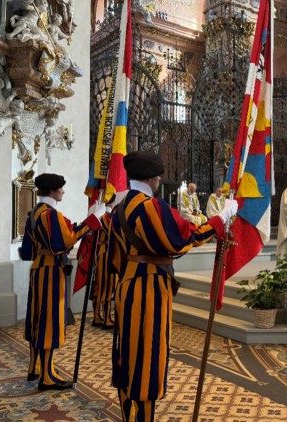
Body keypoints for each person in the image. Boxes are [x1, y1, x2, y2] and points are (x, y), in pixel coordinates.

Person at [110, 151, 238, 421]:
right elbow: (182, 239)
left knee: (127, 353)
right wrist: (221, 218)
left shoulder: (119, 207)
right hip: (149, 287)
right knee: (148, 355)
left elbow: (114, 257)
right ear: (154, 178)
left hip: (127, 284)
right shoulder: (150, 207)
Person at [19, 173, 105, 390]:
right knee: (49, 321)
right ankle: (46, 376)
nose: (63, 192)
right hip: (50, 271)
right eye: (61, 189)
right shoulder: (50, 214)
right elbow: (64, 243)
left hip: (37, 268)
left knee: (36, 319)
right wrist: (92, 222)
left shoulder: (32, 214)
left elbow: (27, 251)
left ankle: (34, 367)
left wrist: (86, 222)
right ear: (52, 191)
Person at [91, 197, 116, 329]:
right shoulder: (106, 217)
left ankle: (97, 316)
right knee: (107, 285)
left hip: (101, 253)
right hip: (106, 253)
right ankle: (105, 318)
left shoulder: (100, 215)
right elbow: (113, 233)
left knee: (100, 285)